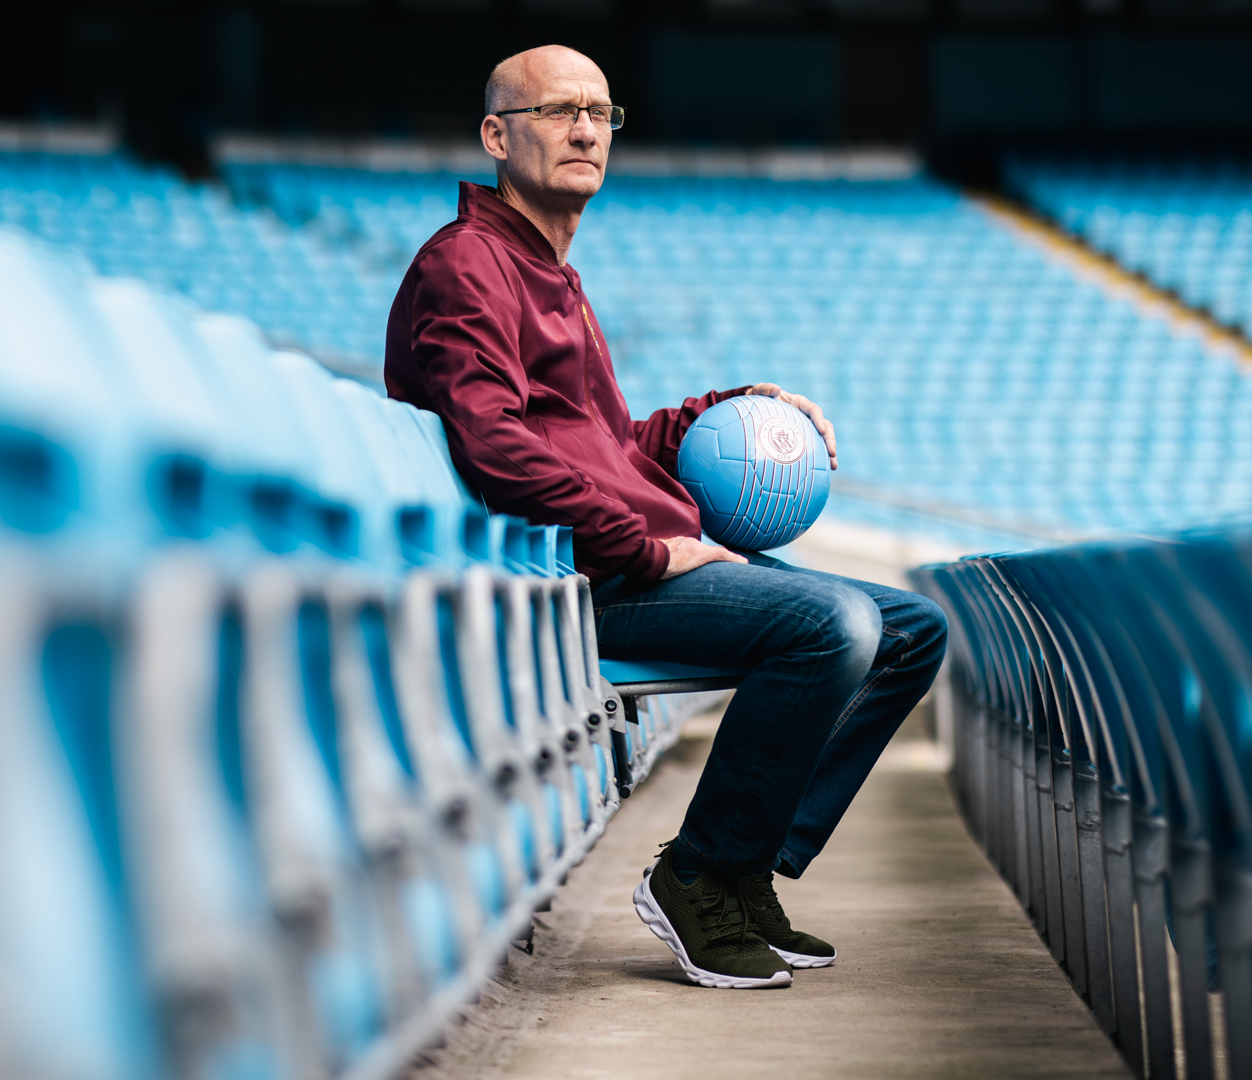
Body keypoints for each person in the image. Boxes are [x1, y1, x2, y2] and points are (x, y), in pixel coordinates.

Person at [383, 45, 947, 990]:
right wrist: (644, 548)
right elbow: (495, 447)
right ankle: (695, 875)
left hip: (618, 560)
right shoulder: (467, 266)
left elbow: (611, 442)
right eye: (559, 110)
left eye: (602, 113)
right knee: (832, 628)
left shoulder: (550, 268)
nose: (584, 129)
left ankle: (742, 864)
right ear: (496, 135)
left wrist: (736, 406)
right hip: (577, 579)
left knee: (910, 631)